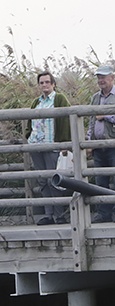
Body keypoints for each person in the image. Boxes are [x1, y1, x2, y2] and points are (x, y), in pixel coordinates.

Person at [24, 71, 72, 225]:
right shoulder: (36, 102)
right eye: (42, 82)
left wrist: (64, 142)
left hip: (53, 144)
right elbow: (30, 120)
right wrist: (28, 134)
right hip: (36, 145)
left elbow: (66, 119)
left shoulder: (59, 99)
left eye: (47, 82)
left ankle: (59, 215)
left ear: (53, 84)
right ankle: (48, 214)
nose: (44, 85)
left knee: (54, 180)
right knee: (43, 181)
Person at [87, 65, 115, 223]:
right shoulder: (95, 98)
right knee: (101, 181)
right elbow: (91, 121)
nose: (101, 80)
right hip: (98, 145)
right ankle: (103, 213)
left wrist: (105, 115)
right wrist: (88, 142)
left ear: (112, 78)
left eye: (104, 77)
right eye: (99, 77)